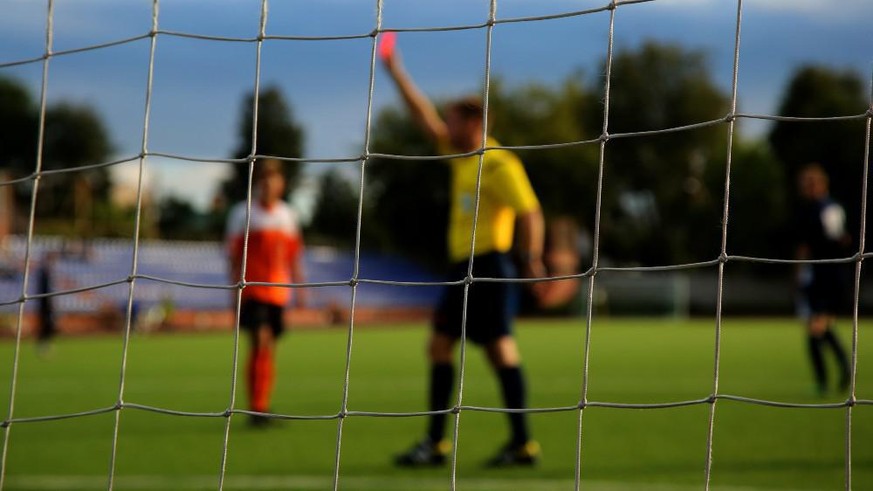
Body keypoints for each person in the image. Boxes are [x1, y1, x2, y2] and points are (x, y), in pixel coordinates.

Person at [382, 42, 549, 467]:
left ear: (474, 123)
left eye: (453, 120)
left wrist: (531, 258)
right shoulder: (462, 158)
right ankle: (499, 444)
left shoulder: (497, 164)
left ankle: (466, 443)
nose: (445, 127)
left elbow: (530, 211)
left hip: (489, 266)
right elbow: (424, 118)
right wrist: (394, 69)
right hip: (465, 269)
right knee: (453, 348)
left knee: (482, 350)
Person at [226, 159, 307, 427]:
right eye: (264, 178)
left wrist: (300, 289)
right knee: (259, 340)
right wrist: (233, 291)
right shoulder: (243, 213)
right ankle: (256, 408)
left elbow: (294, 257)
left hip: (278, 292)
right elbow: (234, 256)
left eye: (274, 178)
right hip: (252, 290)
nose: (268, 183)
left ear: (282, 183)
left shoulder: (288, 215)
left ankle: (261, 405)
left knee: (268, 346)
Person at [794, 162, 851, 396]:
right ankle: (840, 371)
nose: (803, 188)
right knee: (819, 327)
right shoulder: (825, 208)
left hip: (827, 276)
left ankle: (827, 379)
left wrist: (800, 267)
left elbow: (837, 239)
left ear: (818, 184)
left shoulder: (826, 209)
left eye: (807, 183)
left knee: (815, 329)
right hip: (823, 274)